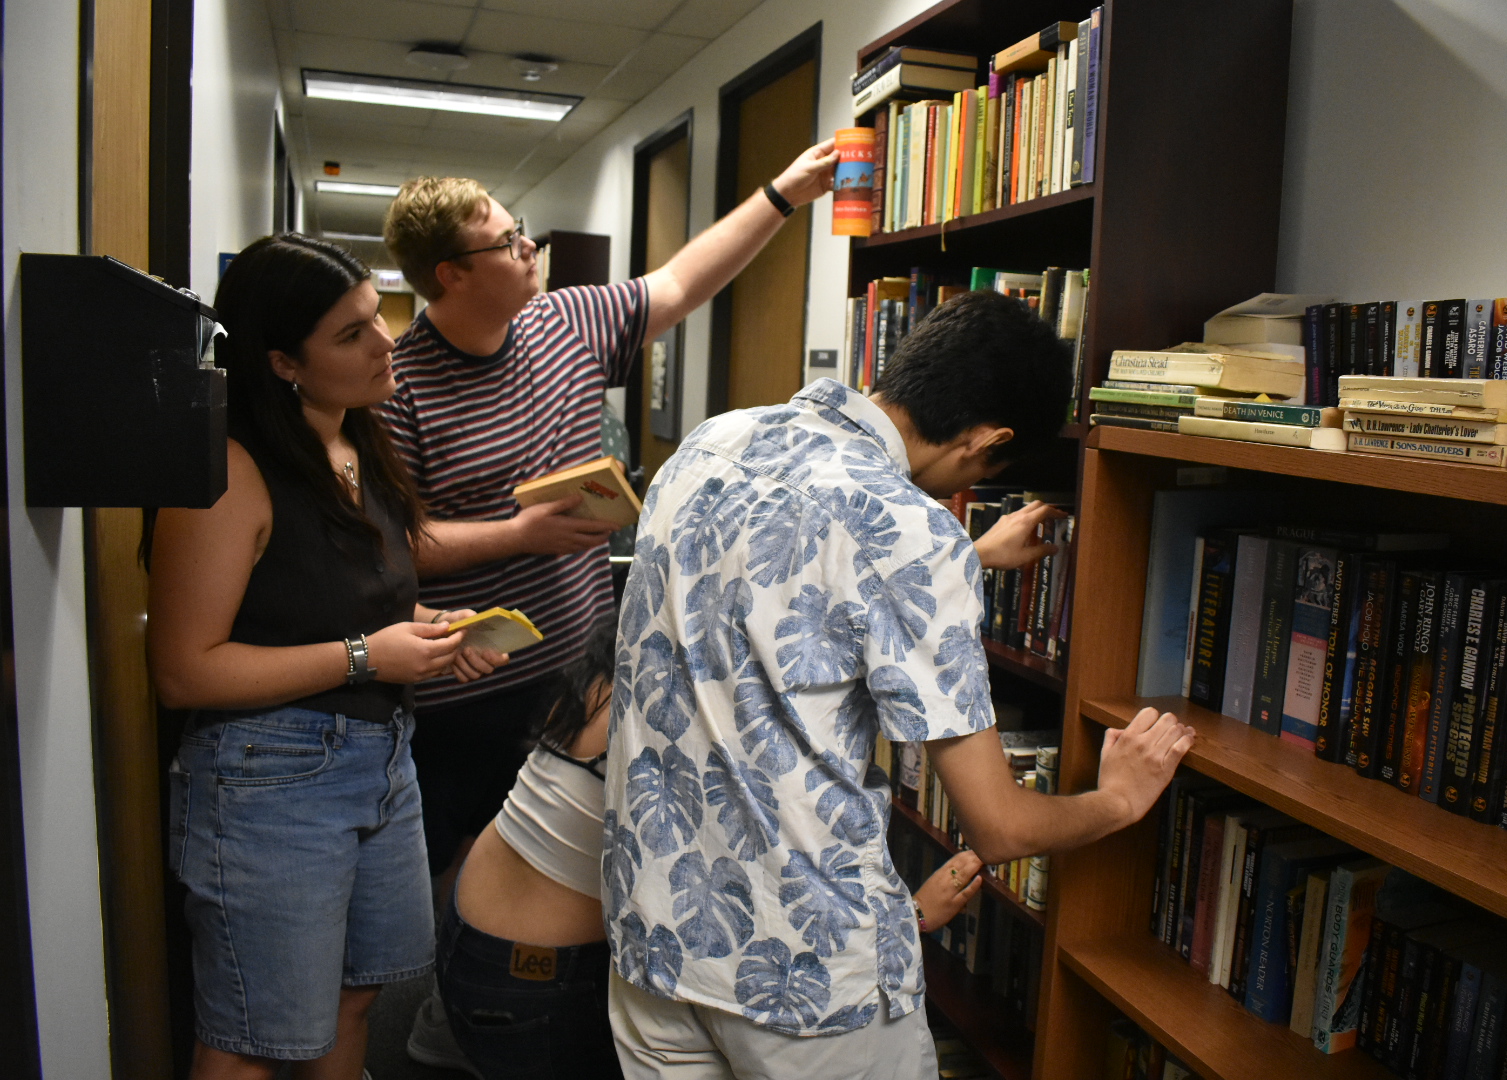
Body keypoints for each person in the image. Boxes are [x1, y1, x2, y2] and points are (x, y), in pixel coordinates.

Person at [603, 289, 1197, 1078]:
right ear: (990, 438)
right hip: (803, 973)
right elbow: (1001, 827)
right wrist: (1119, 800)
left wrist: (967, 560)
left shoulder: (715, 442)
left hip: (655, 930)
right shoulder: (913, 535)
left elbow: (770, 602)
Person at [378, 139, 839, 1065]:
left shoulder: (567, 323)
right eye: (508, 243)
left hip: (576, 688)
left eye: (523, 235)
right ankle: (440, 1042)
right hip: (460, 697)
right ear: (449, 276)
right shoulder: (401, 387)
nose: (528, 253)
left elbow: (678, 283)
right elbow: (395, 545)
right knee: (454, 895)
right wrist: (519, 534)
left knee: (580, 890)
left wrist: (782, 195)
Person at [147, 235, 506, 1080]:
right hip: (270, 779)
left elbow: (333, 601)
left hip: (380, 760)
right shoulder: (232, 471)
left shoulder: (357, 446)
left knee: (356, 1000)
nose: (386, 343)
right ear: (282, 363)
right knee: (255, 1040)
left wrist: (425, 633)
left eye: (374, 318)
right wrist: (365, 657)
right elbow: (183, 668)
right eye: (350, 336)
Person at [440, 622, 987, 1080]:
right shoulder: (685, 722)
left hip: (471, 940)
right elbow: (771, 891)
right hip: (537, 989)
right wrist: (909, 917)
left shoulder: (625, 662)